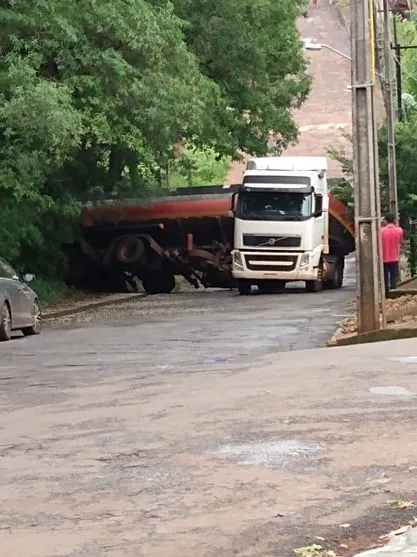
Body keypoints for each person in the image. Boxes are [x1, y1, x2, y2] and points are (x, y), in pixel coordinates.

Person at [380, 213, 404, 295]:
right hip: (394, 257)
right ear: (394, 220)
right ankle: (394, 293)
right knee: (394, 278)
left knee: (384, 278)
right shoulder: (399, 230)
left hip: (383, 258)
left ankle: (386, 294)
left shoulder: (380, 231)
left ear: (385, 221)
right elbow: (400, 241)